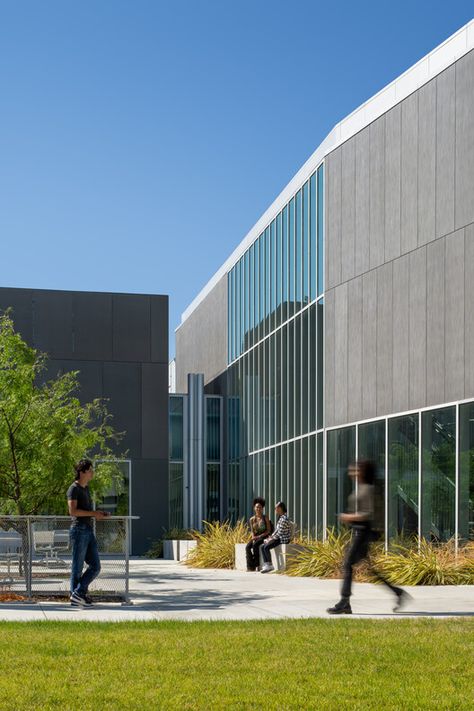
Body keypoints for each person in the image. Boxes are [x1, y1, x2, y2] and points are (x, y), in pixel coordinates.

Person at [327, 459, 410, 615]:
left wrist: (349, 517)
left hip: (363, 531)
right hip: (359, 531)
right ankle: (397, 593)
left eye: (356, 470)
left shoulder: (369, 489)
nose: (352, 472)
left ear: (363, 472)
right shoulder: (361, 488)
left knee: (347, 564)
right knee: (370, 570)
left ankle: (345, 602)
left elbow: (368, 514)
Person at [67, 459, 109, 607]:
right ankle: (77, 597)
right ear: (82, 472)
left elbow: (87, 512)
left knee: (95, 566)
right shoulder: (74, 488)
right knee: (77, 568)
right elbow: (73, 512)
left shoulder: (86, 488)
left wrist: (99, 514)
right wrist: (93, 513)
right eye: (90, 470)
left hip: (88, 530)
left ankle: (78, 594)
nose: (92, 472)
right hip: (79, 530)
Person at [260, 501, 292, 573]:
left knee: (266, 547)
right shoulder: (280, 517)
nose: (275, 509)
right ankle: (266, 564)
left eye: (276, 507)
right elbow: (277, 530)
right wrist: (270, 537)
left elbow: (280, 533)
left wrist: (270, 539)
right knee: (262, 546)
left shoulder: (284, 519)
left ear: (280, 508)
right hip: (279, 537)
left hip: (283, 539)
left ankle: (270, 565)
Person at [246, 497, 272, 571]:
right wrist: (253, 537)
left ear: (262, 508)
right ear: (254, 508)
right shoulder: (252, 519)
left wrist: (259, 536)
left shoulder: (265, 517)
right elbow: (252, 531)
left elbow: (269, 530)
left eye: (260, 507)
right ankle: (250, 566)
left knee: (255, 545)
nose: (258, 509)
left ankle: (256, 565)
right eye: (257, 507)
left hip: (264, 535)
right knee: (248, 547)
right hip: (256, 537)